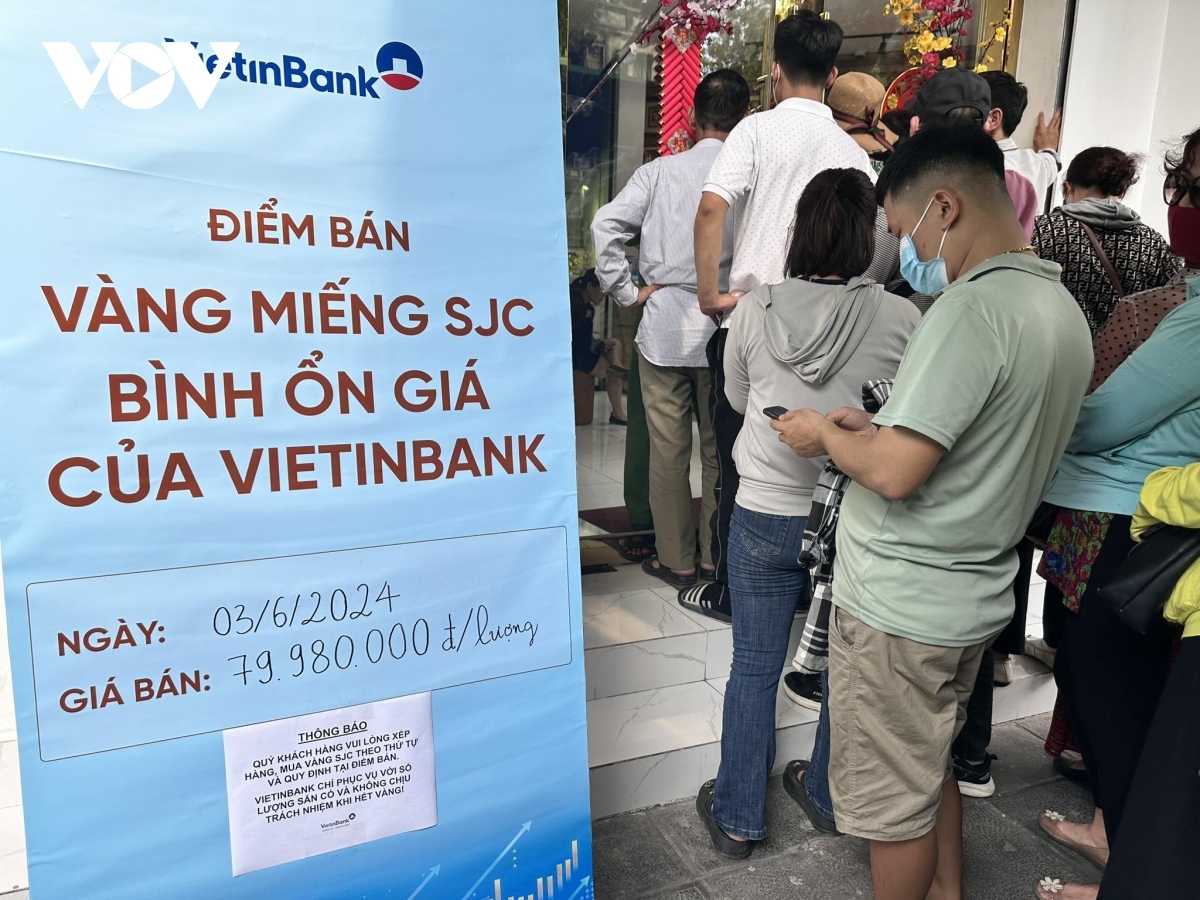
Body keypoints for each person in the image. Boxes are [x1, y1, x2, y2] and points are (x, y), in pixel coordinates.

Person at [771, 124, 1093, 900]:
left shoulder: (970, 310)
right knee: (929, 764)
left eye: (903, 228)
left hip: (901, 609)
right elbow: (981, 439)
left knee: (893, 812)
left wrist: (824, 435)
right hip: (972, 594)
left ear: (943, 206)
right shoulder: (1059, 310)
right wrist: (879, 427)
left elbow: (894, 473)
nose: (908, 250)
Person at [694, 167, 919, 859]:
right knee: (844, 666)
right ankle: (823, 793)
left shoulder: (753, 311)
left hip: (763, 509)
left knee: (754, 665)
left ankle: (738, 815)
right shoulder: (902, 317)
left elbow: (738, 400)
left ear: (799, 233)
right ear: (869, 239)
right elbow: (907, 416)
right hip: (854, 518)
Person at [1028, 130, 1200, 900]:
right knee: (1089, 668)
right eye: (1179, 184)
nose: (1182, 203)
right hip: (1120, 508)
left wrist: (1041, 408)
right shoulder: (1168, 270)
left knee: (1104, 678)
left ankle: (1132, 862)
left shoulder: (1191, 315)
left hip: (1133, 515)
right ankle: (1116, 838)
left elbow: (1106, 418)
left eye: (1193, 189)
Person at [683, 9, 877, 623]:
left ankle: (734, 588)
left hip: (753, 317)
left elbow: (711, 209)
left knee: (738, 457)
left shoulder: (755, 130)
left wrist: (710, 294)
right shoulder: (850, 150)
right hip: (832, 323)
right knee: (818, 455)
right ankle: (806, 588)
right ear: (833, 74)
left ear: (774, 70)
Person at [591, 69, 750, 587]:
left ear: (691, 116)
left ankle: (675, 560)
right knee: (719, 454)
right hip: (726, 330)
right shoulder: (749, 178)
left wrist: (626, 291)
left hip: (663, 331)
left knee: (667, 453)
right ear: (745, 118)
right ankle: (712, 558)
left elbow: (604, 225)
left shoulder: (658, 173)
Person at [1033, 147, 1180, 335]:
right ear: (1123, 191)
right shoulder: (1153, 242)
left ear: (1067, 188)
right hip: (1124, 351)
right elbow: (1174, 301)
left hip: (1052, 346)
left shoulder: (1042, 229)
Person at [981, 70, 1062, 214]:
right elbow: (1050, 164)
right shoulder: (1035, 165)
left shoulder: (980, 169)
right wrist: (1048, 149)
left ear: (993, 119)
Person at [569, 269, 627, 425]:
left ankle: (616, 365)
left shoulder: (588, 307)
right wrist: (599, 344)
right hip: (576, 355)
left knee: (615, 344)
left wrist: (599, 343)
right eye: (601, 290)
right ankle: (617, 412)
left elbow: (584, 337)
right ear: (589, 287)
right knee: (612, 371)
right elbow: (576, 340)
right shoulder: (575, 305)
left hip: (584, 349)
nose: (603, 295)